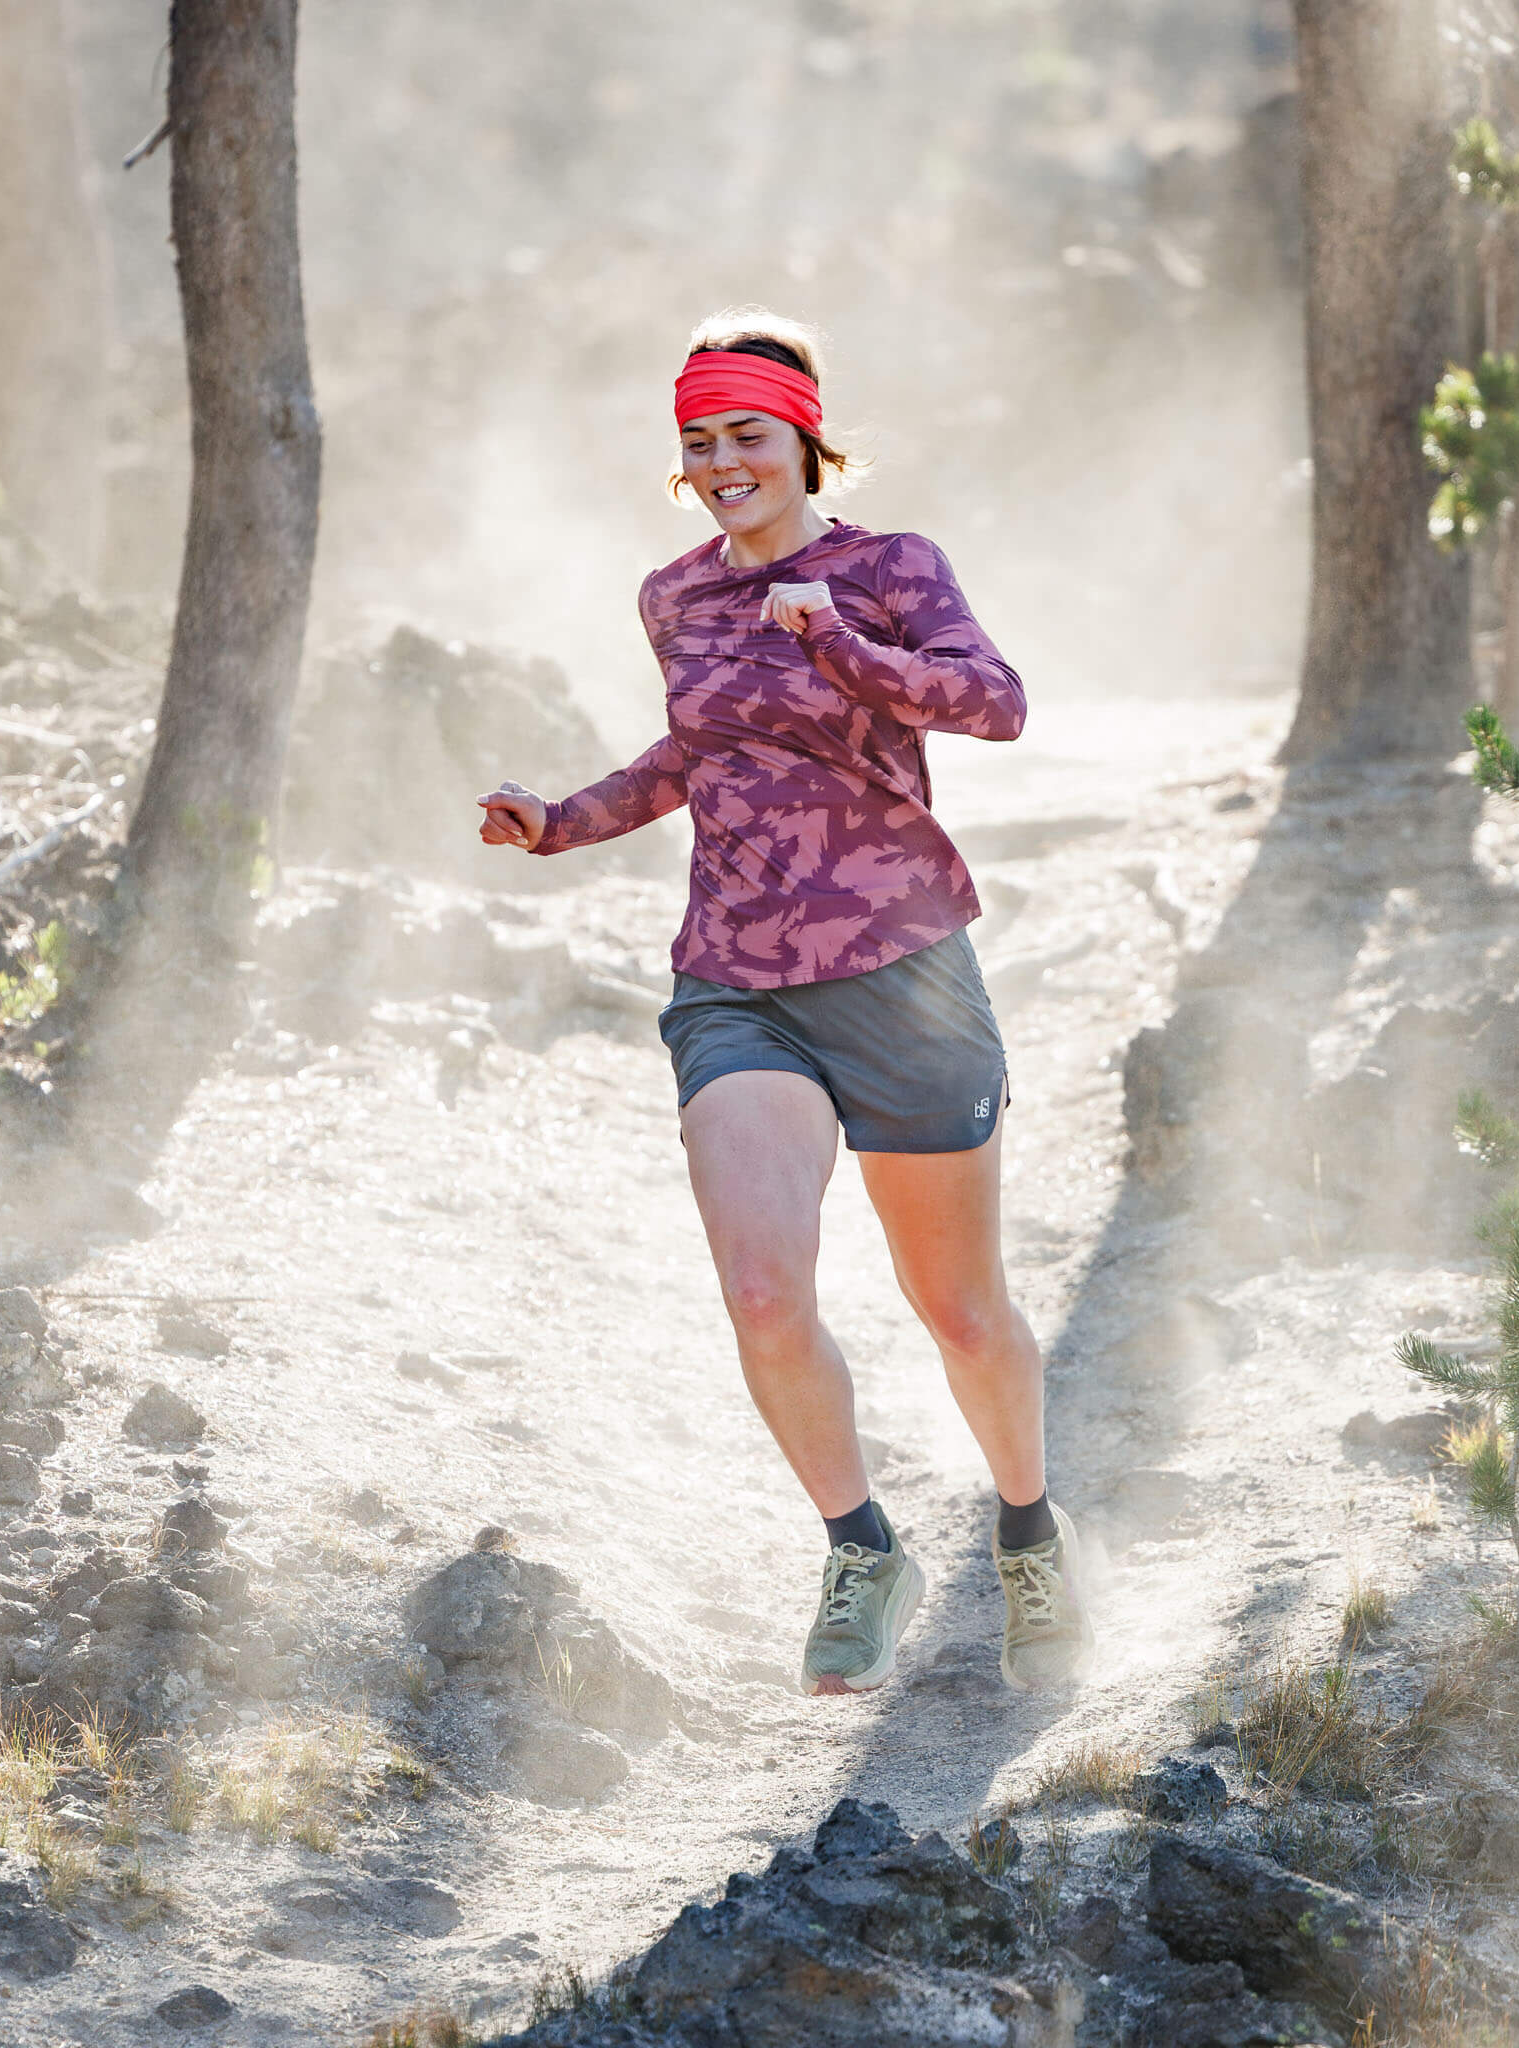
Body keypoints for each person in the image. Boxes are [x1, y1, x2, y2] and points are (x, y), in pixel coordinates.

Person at [477, 309, 1091, 1697]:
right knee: (763, 1290)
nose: (721, 462)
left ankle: (1028, 1533)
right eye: (698, 443)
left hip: (907, 979)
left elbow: (996, 706)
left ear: (805, 442)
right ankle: (863, 1551)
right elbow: (695, 754)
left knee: (962, 1310)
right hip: (738, 982)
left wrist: (846, 651)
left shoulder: (889, 568)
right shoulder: (674, 595)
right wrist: (559, 820)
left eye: (746, 435)